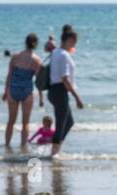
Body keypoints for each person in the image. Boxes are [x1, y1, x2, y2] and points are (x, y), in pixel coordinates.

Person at [47, 28, 83, 158]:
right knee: (62, 123)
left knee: (69, 122)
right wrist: (77, 97)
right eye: (74, 42)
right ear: (69, 40)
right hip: (60, 90)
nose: (74, 45)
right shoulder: (63, 55)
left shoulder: (56, 52)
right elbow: (64, 78)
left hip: (54, 90)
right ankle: (54, 153)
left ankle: (56, 148)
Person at [3, 33, 43, 148]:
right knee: (25, 122)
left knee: (11, 121)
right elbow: (39, 82)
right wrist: (41, 98)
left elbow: (9, 75)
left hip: (13, 89)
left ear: (25, 42)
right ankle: (23, 146)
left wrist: (6, 92)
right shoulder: (36, 60)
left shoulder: (15, 57)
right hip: (27, 91)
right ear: (36, 44)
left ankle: (7, 145)